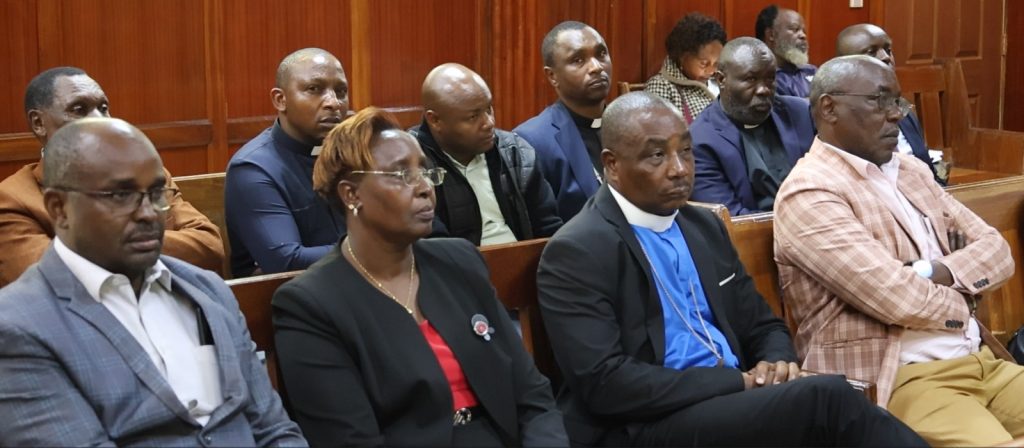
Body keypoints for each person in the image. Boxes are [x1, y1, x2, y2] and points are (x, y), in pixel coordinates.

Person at [536, 91, 925, 447]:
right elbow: (607, 384)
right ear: (612, 166)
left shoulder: (701, 225)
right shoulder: (578, 250)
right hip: (644, 424)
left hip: (729, 401)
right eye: (657, 156)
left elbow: (762, 324)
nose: (678, 169)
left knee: (825, 403)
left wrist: (776, 362)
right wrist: (737, 381)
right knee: (827, 398)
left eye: (685, 152)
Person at [272, 107, 568, 446]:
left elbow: (532, 396)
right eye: (401, 174)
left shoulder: (458, 262)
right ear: (351, 194)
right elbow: (352, 440)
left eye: (425, 172)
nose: (425, 187)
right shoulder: (311, 304)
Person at [0, 117, 305, 446]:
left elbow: (274, 429)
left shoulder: (206, 291)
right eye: (121, 195)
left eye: (156, 192)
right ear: (59, 209)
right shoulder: (17, 325)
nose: (148, 213)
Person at [774, 55, 1024, 446]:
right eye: (880, 101)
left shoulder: (912, 172)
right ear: (829, 107)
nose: (896, 116)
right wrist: (967, 297)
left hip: (982, 362)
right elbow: (896, 297)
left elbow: (996, 250)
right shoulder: (811, 193)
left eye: (898, 103)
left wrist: (930, 270)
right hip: (902, 378)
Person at [0, 66, 224, 286]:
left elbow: (209, 246)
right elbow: (51, 278)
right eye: (79, 109)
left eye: (103, 107)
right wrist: (140, 245)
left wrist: (99, 248)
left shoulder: (151, 177)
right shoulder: (13, 199)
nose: (100, 119)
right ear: (39, 123)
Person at [225, 48, 348, 277]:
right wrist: (379, 245)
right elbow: (287, 261)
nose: (334, 103)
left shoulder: (352, 152)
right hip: (284, 302)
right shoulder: (253, 169)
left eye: (341, 91)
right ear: (280, 100)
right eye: (314, 89)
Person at [409, 63, 561, 246]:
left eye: (489, 109)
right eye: (473, 117)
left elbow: (549, 229)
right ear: (435, 120)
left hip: (526, 265)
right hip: (457, 269)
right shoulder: (411, 164)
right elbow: (432, 246)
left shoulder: (516, 152)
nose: (489, 123)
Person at [689, 37, 814, 216]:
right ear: (721, 79)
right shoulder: (701, 141)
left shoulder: (800, 113)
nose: (764, 89)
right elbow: (730, 220)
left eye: (770, 78)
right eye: (751, 79)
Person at [516, 21, 612, 222]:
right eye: (578, 60)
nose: (596, 67)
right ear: (552, 76)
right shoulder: (532, 141)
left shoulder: (632, 126)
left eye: (601, 54)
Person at [835, 23, 943, 184]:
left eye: (888, 50)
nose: (885, 57)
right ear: (843, 65)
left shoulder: (903, 112)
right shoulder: (841, 121)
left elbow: (930, 174)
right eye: (871, 52)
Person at [644, 13, 726, 123]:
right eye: (703, 63)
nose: (712, 71)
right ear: (682, 57)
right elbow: (657, 132)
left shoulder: (721, 81)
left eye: (716, 63)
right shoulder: (662, 86)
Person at [755, 5, 815, 98]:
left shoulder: (812, 71)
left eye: (803, 31)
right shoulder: (761, 78)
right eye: (795, 29)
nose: (803, 36)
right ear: (771, 34)